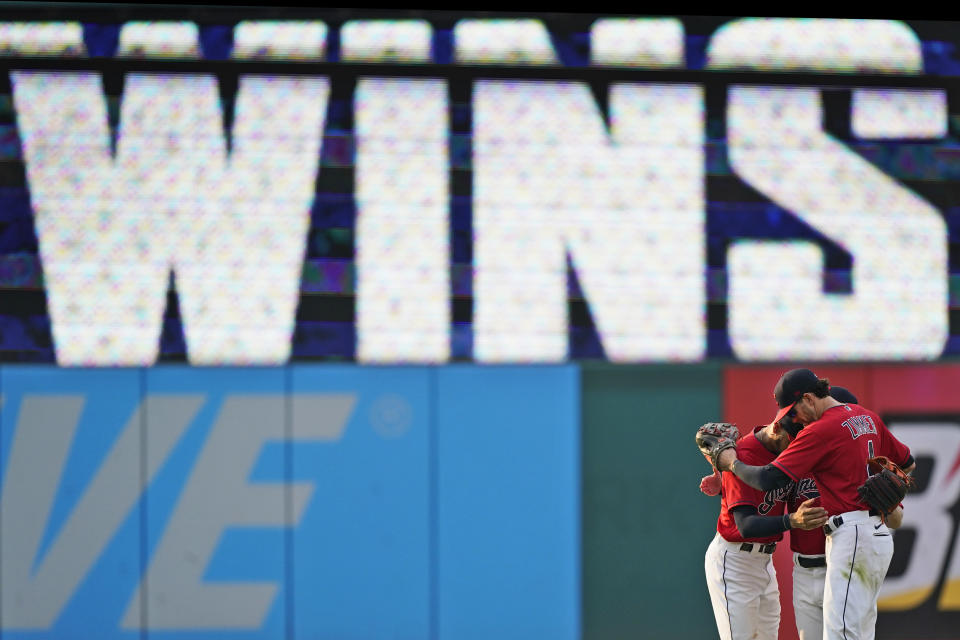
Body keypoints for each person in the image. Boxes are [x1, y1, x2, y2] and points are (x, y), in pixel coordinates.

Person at [714, 368, 915, 640]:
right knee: (857, 633)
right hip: (864, 540)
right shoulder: (866, 419)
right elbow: (908, 463)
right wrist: (723, 480)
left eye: (794, 412)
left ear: (808, 399)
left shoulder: (821, 430)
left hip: (851, 535)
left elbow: (770, 478)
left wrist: (731, 464)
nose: (796, 421)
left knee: (842, 634)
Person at [702, 418, 828, 640]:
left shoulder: (788, 452)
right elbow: (746, 525)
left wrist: (723, 485)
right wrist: (792, 521)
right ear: (777, 428)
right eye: (792, 441)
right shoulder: (740, 454)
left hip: (764, 563)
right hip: (734, 561)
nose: (795, 448)